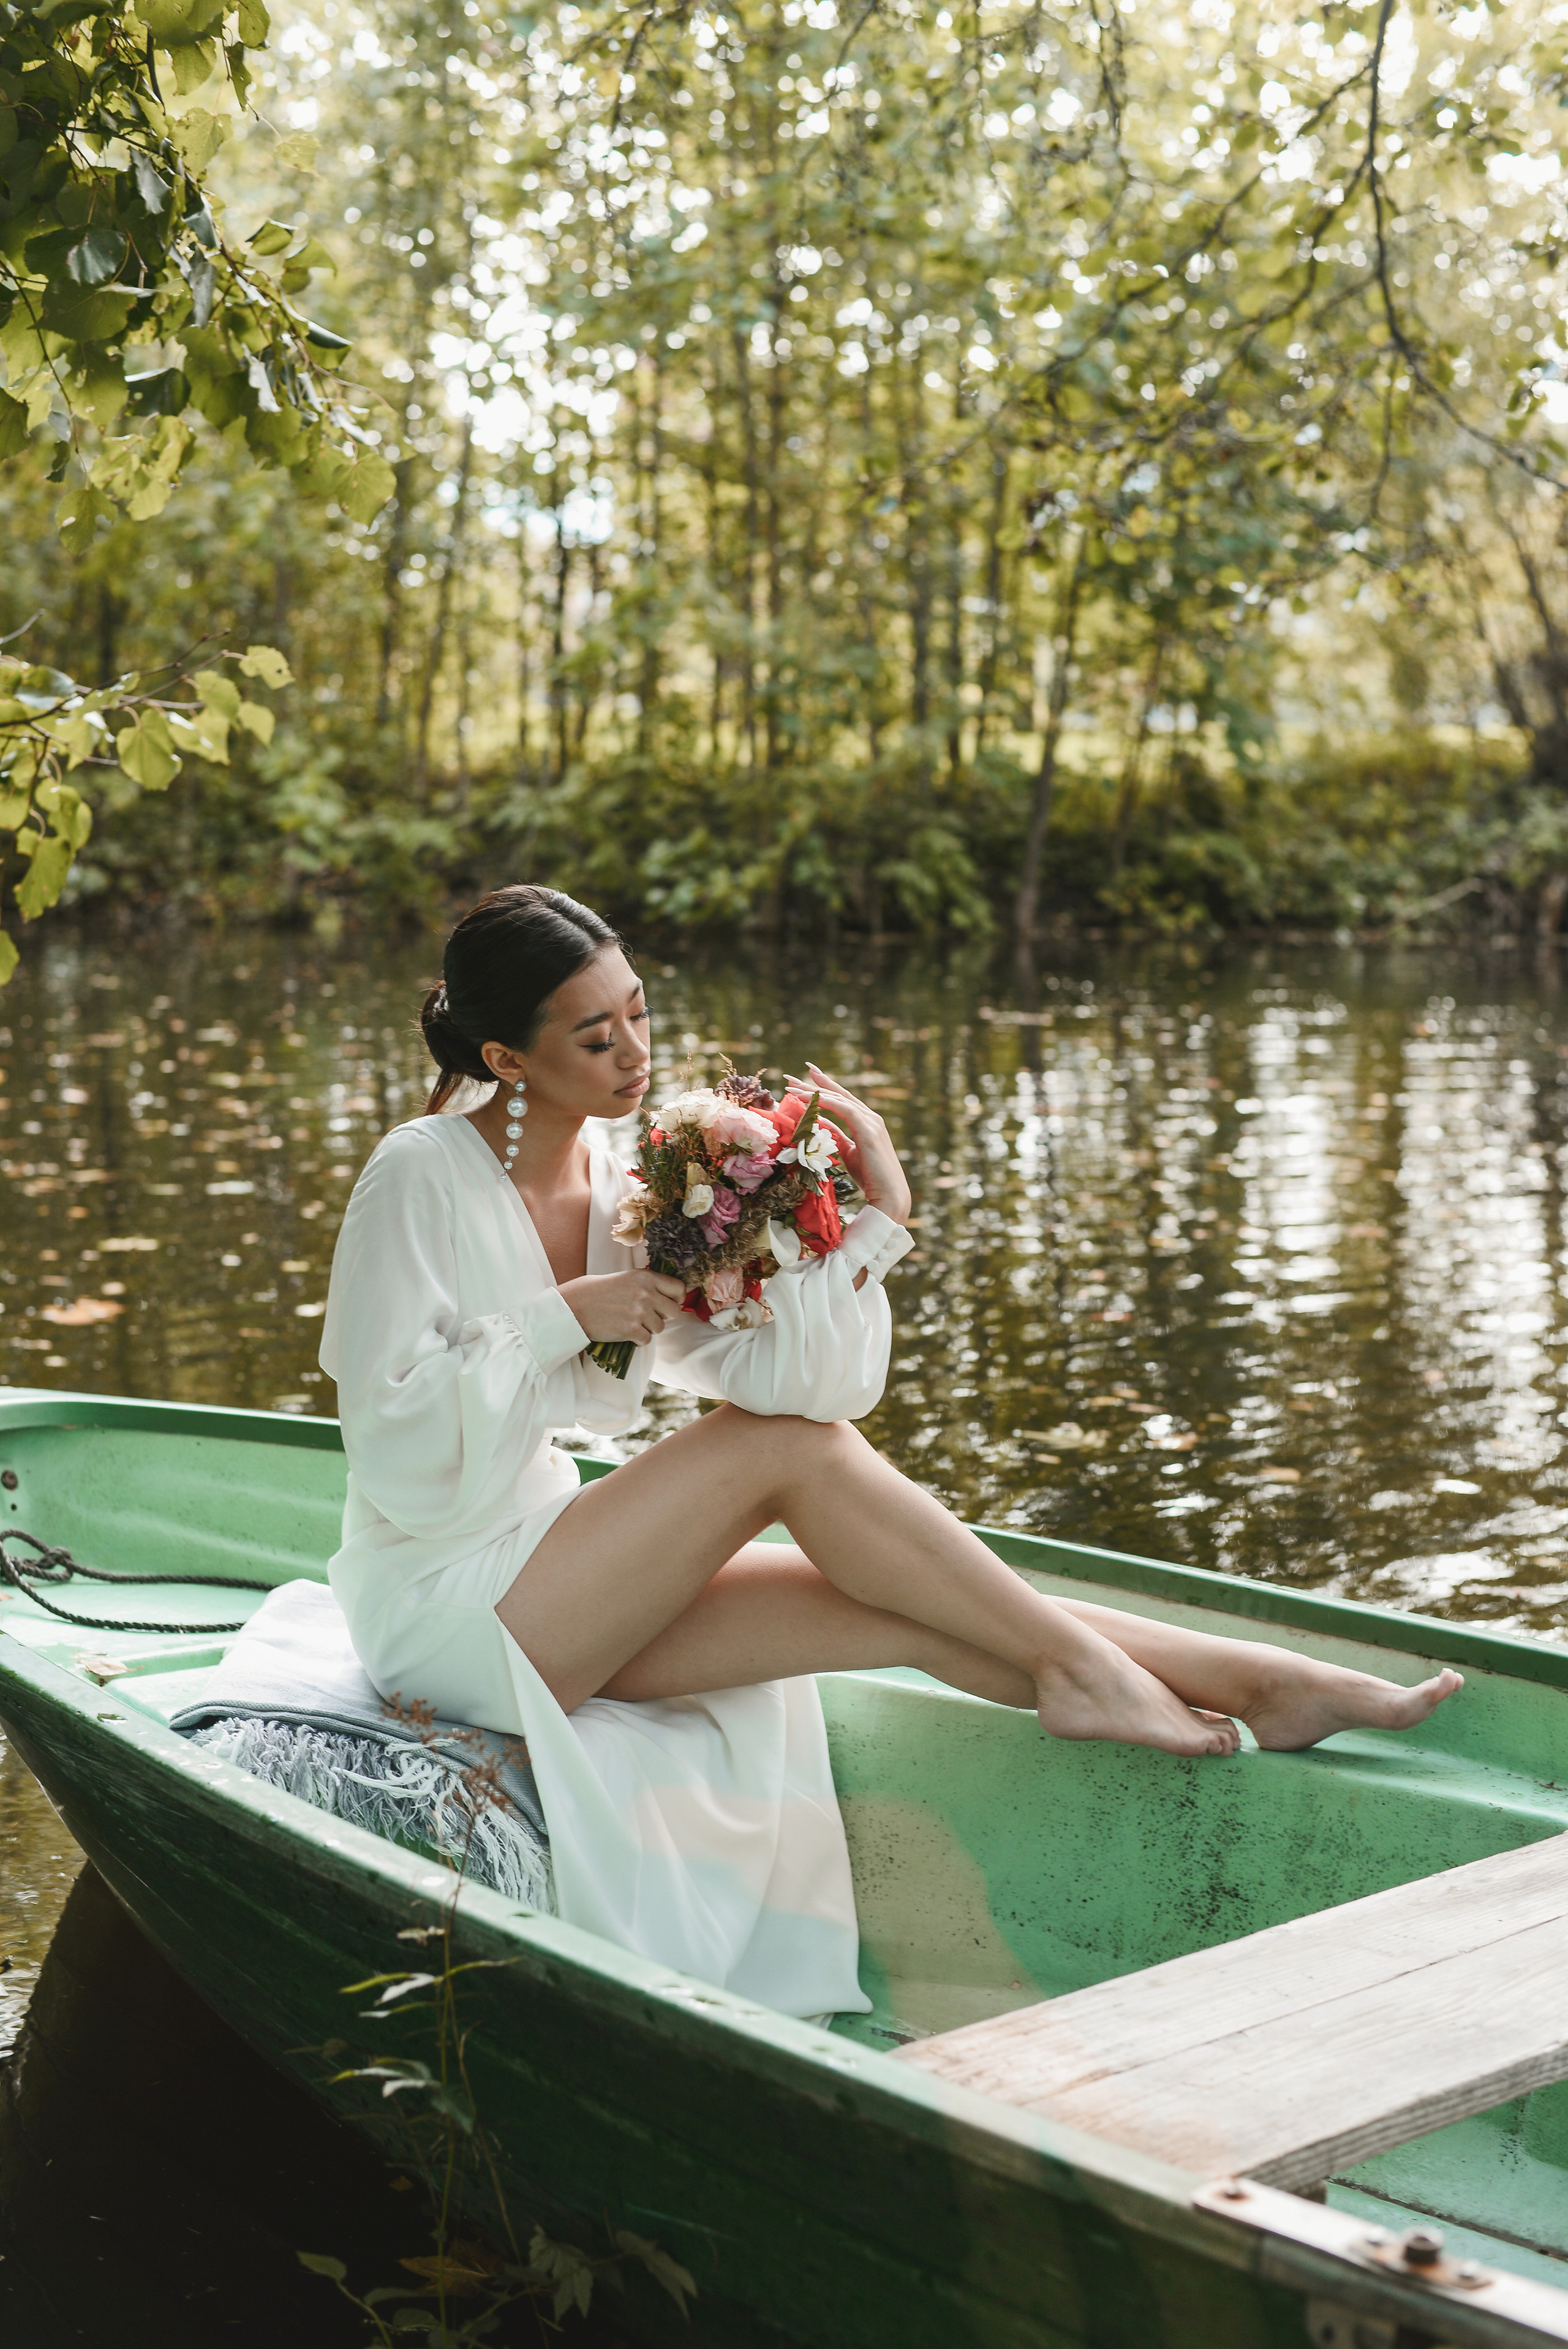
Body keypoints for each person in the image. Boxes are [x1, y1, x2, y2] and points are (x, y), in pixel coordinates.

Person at [320, 883, 1461, 2018]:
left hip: (553, 1568)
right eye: (594, 1031)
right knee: (785, 1457)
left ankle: (1260, 1683)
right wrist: (568, 1313)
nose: (633, 1051)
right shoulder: (417, 1173)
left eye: (640, 1011)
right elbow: (387, 1431)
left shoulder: (624, 1179)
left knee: (889, 1603)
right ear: (506, 1058)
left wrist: (880, 1223)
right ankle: (1081, 1672)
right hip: (440, 1594)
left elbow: (775, 1378)